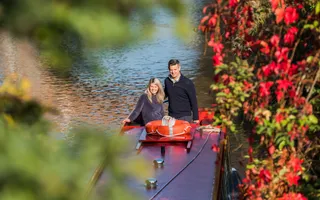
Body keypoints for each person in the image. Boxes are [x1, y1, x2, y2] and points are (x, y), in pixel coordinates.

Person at [164, 59, 199, 123]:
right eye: (171, 70)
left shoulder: (188, 83)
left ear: (179, 68)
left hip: (185, 116)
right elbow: (164, 94)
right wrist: (152, 94)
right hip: (172, 116)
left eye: (175, 69)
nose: (173, 72)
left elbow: (194, 101)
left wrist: (196, 118)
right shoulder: (167, 81)